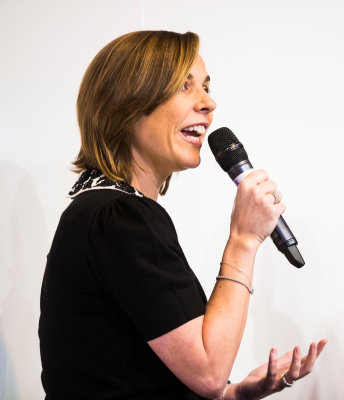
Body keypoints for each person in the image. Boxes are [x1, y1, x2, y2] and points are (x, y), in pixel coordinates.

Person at [38, 30, 326, 400]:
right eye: (184, 87)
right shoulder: (119, 217)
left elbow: (128, 372)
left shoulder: (102, 209)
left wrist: (233, 393)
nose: (209, 103)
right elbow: (208, 372)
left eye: (207, 86)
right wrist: (244, 239)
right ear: (127, 105)